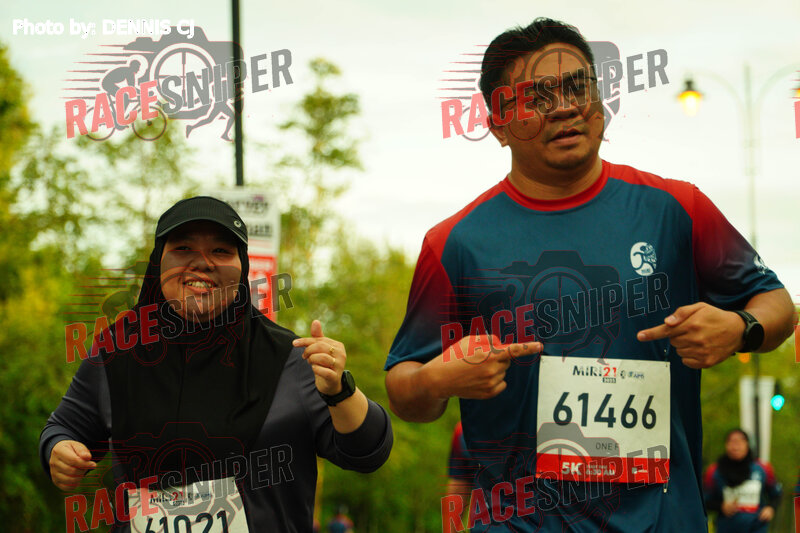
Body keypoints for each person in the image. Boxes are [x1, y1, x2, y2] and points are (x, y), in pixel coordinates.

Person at [384, 18, 795, 532]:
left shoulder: (677, 209)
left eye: (578, 87)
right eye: (536, 97)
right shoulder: (453, 244)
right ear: (498, 124)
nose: (564, 107)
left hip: (665, 520)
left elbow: (778, 305)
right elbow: (403, 389)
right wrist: (436, 379)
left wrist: (740, 328)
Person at [41, 196, 393, 532]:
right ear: (158, 261)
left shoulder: (290, 357)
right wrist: (58, 450)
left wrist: (339, 391)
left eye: (221, 251)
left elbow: (368, 452)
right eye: (183, 248)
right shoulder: (117, 350)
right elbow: (65, 427)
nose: (203, 262)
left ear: (242, 267)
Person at [704, 429, 781, 533]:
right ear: (726, 445)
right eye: (732, 441)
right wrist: (721, 506)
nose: (736, 446)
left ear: (747, 445)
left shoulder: (762, 469)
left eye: (740, 441)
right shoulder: (714, 471)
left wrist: (770, 508)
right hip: (727, 527)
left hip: (756, 526)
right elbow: (704, 500)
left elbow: (776, 494)